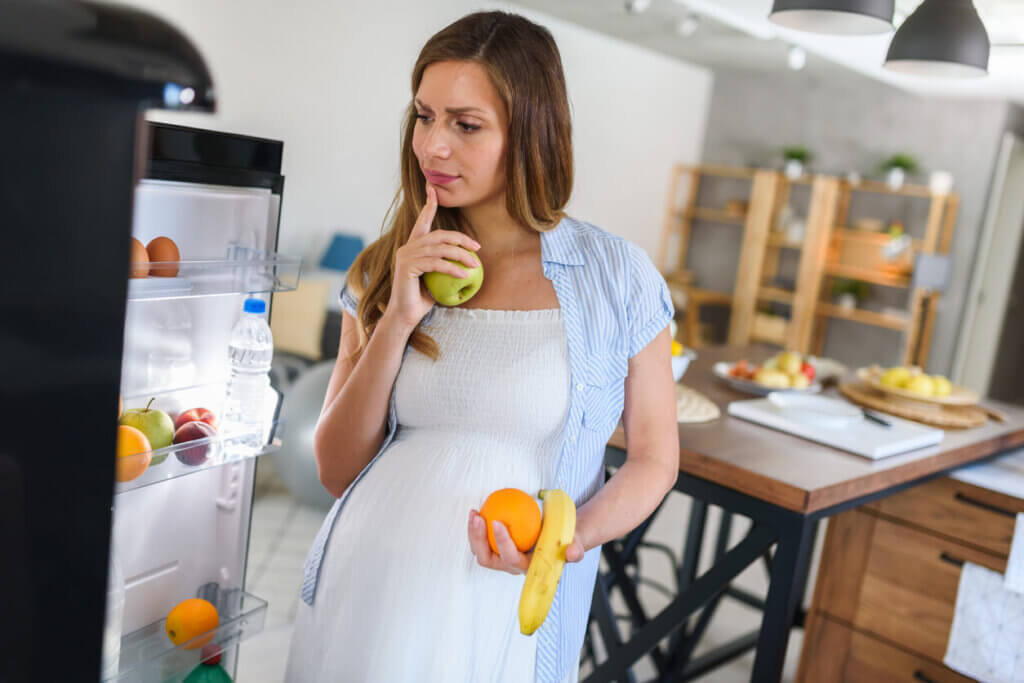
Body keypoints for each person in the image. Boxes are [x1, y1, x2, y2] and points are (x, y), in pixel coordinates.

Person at [286, 11, 679, 683]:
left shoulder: (617, 277)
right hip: (370, 580)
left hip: (503, 599)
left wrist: (565, 540)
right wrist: (397, 319)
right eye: (424, 117)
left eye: (466, 125)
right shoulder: (383, 269)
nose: (433, 146)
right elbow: (336, 467)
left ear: (530, 133)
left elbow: (654, 459)